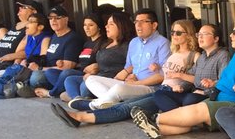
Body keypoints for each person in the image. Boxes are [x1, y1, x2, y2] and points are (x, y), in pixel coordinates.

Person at [49, 19, 198, 129]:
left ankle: (82, 114)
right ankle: (83, 112)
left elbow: (196, 80)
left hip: (170, 93)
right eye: (172, 32)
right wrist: (155, 68)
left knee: (126, 108)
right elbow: (165, 74)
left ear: (189, 34)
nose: (174, 35)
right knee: (125, 105)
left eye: (179, 32)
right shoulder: (174, 52)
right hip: (162, 90)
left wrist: (181, 80)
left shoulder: (194, 55)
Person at [136, 19, 235, 139]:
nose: (231, 35)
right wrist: (213, 83)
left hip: (233, 103)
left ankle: (154, 118)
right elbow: (225, 79)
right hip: (217, 96)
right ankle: (157, 128)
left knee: (195, 108)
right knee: (176, 104)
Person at [78, 9, 169, 108]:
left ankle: (92, 105)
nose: (138, 25)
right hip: (130, 84)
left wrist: (137, 83)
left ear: (154, 25)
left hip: (149, 87)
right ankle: (112, 104)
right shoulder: (134, 42)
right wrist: (130, 76)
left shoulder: (163, 43)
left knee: (119, 88)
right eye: (136, 22)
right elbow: (129, 67)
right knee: (91, 79)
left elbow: (163, 75)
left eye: (142, 22)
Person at [148, 23, 230, 115]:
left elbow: (224, 81)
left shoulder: (223, 55)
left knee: (189, 100)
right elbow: (190, 76)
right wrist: (181, 87)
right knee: (159, 94)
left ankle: (170, 118)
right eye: (199, 34)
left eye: (205, 34)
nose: (200, 37)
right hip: (193, 93)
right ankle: (179, 117)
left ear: (216, 39)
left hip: (207, 95)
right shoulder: (202, 56)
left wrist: (205, 91)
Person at [61, 11, 133, 103]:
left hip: (111, 80)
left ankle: (80, 99)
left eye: (111, 24)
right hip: (97, 76)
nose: (106, 26)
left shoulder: (127, 45)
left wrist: (126, 72)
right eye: (106, 24)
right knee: (70, 79)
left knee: (83, 86)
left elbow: (135, 63)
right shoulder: (107, 43)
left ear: (121, 26)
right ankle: (77, 98)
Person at [34, 12, 103, 98]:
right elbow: (82, 61)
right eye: (85, 25)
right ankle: (70, 92)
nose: (87, 28)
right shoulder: (87, 43)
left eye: (91, 25)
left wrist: (97, 66)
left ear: (99, 27)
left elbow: (103, 61)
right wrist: (62, 62)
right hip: (80, 72)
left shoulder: (103, 43)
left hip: (90, 75)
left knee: (67, 73)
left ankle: (52, 93)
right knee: (50, 72)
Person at [19, 5, 83, 96]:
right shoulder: (54, 36)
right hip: (50, 72)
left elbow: (67, 67)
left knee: (37, 77)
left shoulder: (72, 38)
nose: (53, 21)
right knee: (26, 70)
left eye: (57, 18)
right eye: (51, 18)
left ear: (66, 19)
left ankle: (49, 92)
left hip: (60, 74)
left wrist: (40, 68)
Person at [0, 12, 51, 98]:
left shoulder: (45, 38)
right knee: (9, 72)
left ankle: (24, 87)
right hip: (25, 67)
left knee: (36, 78)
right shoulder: (28, 36)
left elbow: (43, 59)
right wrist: (18, 61)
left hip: (36, 68)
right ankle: (16, 87)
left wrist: (27, 62)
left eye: (31, 22)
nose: (27, 24)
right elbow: (19, 51)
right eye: (28, 21)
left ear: (40, 27)